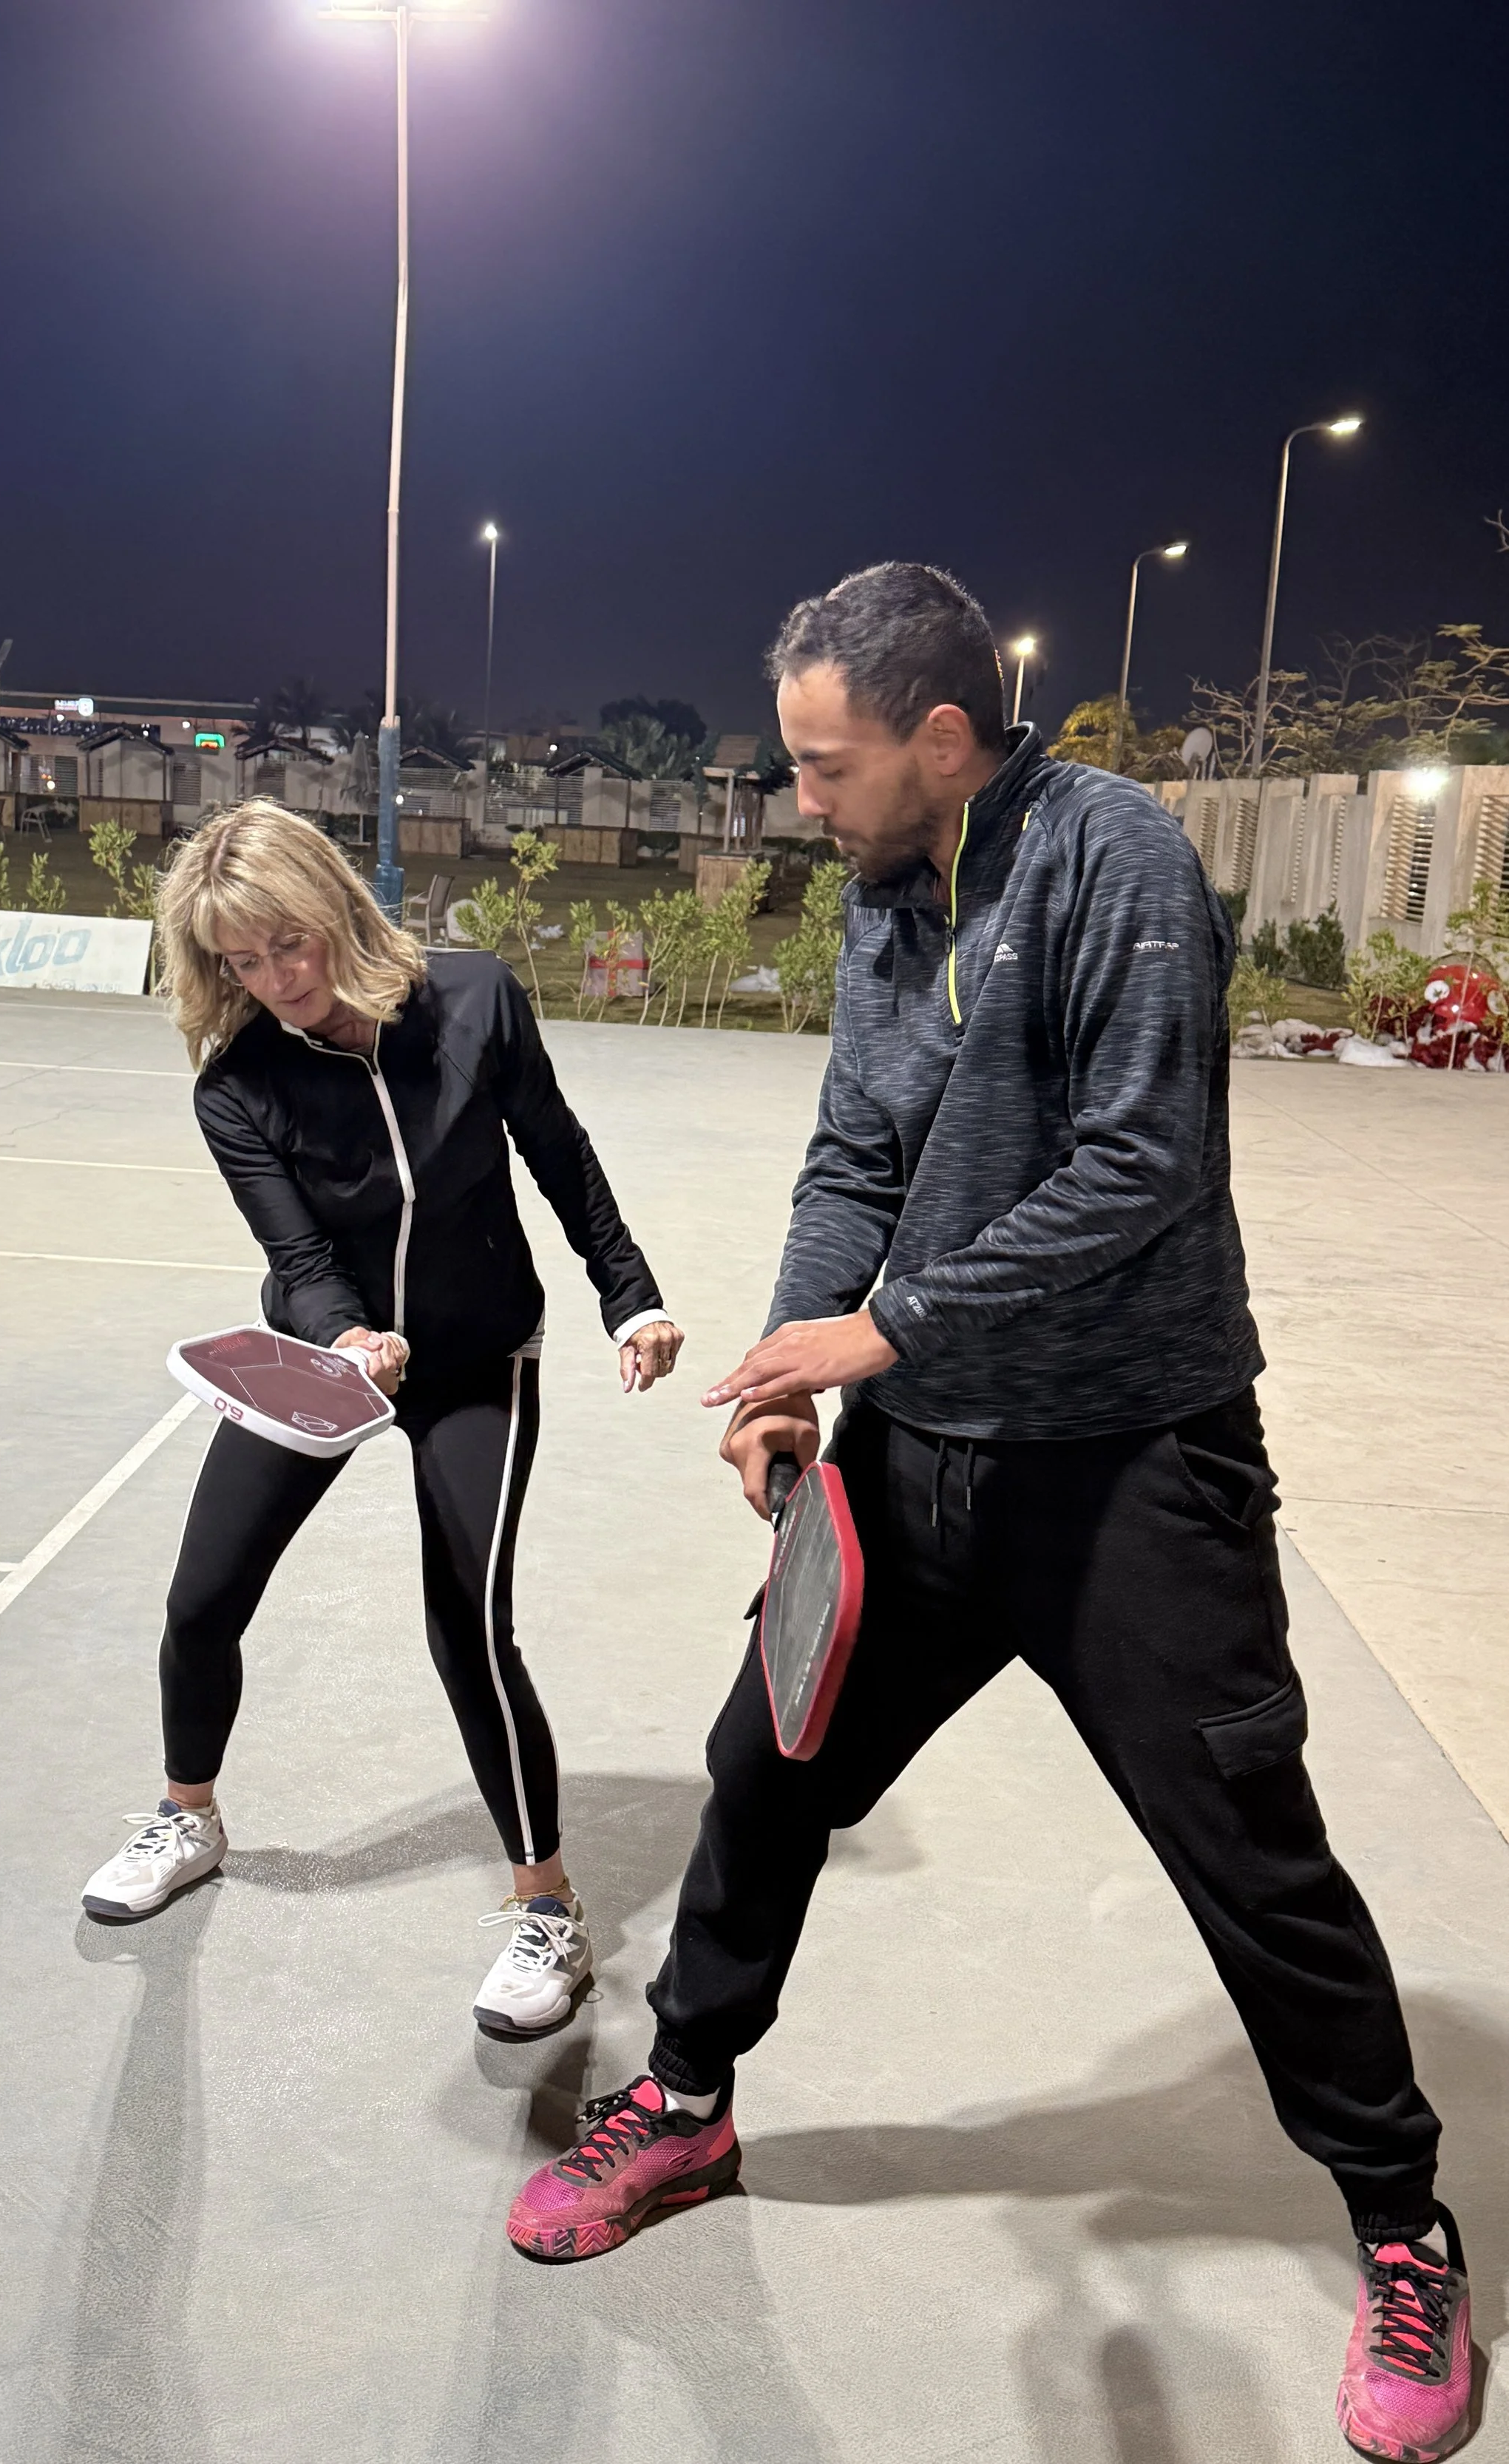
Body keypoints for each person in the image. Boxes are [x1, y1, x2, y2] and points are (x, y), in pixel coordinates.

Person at [505, 566, 1469, 2461]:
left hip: (1133, 1470)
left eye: (824, 764)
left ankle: (1398, 2223)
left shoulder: (1114, 861)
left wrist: (883, 1328)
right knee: (764, 1767)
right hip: (917, 1465)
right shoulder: (884, 890)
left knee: (1250, 1856)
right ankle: (685, 2102)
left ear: (940, 738)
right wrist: (792, 1372)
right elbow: (854, 1150)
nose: (800, 799)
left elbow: (1139, 1161)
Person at [83, 801, 683, 2041]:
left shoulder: (475, 1001)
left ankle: (548, 1908)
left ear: (337, 911)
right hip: (323, 1361)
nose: (275, 980)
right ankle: (188, 1816)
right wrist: (350, 1337)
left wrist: (631, 1296)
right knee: (201, 1599)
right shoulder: (238, 1084)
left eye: (288, 945)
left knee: (467, 1626)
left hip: (475, 1360)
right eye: (242, 962)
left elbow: (559, 1155)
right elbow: (297, 1254)